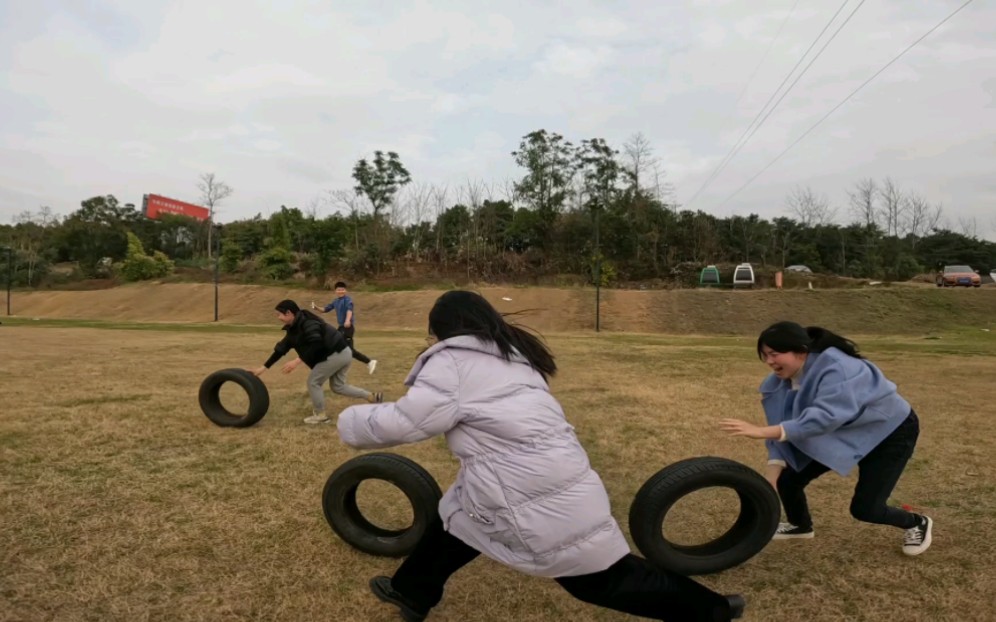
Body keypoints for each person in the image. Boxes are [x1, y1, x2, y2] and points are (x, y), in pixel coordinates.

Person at [335, 290, 745, 622]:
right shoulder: (512, 357)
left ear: (439, 329)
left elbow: (408, 421)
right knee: (459, 521)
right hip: (537, 473)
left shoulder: (454, 361)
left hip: (529, 487)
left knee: (596, 577)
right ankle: (411, 592)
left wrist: (350, 421)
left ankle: (711, 611)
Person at [719, 321, 932, 556]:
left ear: (801, 352)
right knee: (788, 481)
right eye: (765, 355)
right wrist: (771, 478)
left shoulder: (839, 367)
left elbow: (825, 417)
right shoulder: (778, 383)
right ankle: (800, 526)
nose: (769, 362)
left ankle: (916, 522)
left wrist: (761, 431)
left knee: (866, 509)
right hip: (844, 428)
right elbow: (781, 431)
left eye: (775, 354)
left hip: (889, 431)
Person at [249, 299, 382, 425]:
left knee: (313, 382)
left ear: (289, 313)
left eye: (279, 314)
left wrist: (297, 361)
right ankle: (372, 397)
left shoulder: (308, 323)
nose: (278, 318)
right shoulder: (293, 329)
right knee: (338, 386)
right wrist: (263, 368)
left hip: (335, 353)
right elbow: (281, 349)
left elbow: (316, 343)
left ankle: (320, 415)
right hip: (344, 353)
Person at [313, 281, 377, 374]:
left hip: (347, 327)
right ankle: (333, 366)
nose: (341, 291)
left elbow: (349, 311)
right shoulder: (335, 301)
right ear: (335, 291)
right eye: (339, 290)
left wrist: (347, 320)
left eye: (342, 289)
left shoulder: (347, 300)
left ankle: (369, 362)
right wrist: (316, 307)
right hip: (341, 328)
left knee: (349, 351)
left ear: (345, 291)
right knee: (335, 345)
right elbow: (325, 310)